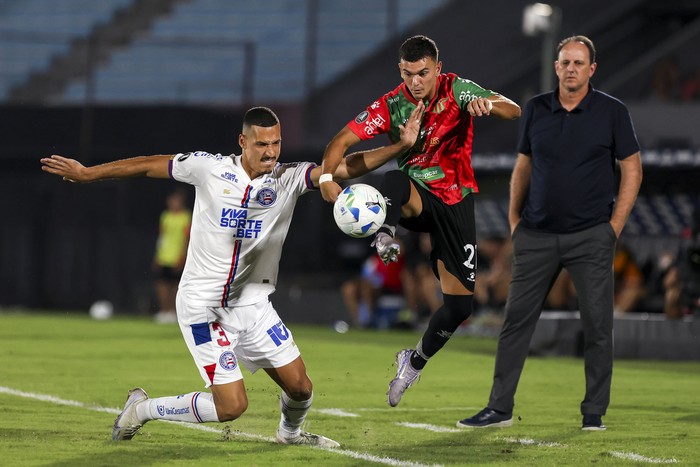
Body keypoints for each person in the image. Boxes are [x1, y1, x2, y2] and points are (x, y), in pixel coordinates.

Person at [40, 105, 422, 446]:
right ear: (243, 141)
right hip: (204, 306)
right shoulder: (210, 168)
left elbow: (345, 167)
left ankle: (289, 436)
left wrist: (398, 148)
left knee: (302, 388)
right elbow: (148, 164)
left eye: (276, 142)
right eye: (262, 144)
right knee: (232, 406)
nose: (271, 151)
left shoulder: (287, 178)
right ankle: (141, 410)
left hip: (253, 305)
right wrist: (89, 174)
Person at [319, 35, 521, 407]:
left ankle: (412, 363)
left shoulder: (457, 89)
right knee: (394, 178)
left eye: (423, 73)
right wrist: (327, 178)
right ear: (401, 70)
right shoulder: (391, 105)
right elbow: (340, 141)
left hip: (457, 201)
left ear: (437, 69)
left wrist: (486, 104)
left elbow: (514, 109)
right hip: (415, 198)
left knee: (460, 308)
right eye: (409, 73)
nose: (416, 81)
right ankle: (384, 235)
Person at [459, 35, 643, 431]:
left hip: (591, 236)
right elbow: (523, 165)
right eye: (565, 62)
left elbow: (632, 168)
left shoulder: (612, 111)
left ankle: (593, 413)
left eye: (579, 63)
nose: (571, 68)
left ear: (592, 69)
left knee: (597, 325)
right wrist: (514, 219)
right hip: (536, 235)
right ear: (556, 67)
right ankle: (499, 408)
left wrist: (614, 228)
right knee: (515, 323)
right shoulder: (536, 109)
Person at [153, 188, 191, 324]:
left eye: (176, 201)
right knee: (162, 285)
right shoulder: (165, 216)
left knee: (176, 286)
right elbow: (161, 237)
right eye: (171, 201)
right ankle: (164, 311)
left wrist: (183, 256)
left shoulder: (186, 217)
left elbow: (187, 239)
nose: (173, 203)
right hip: (164, 256)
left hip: (178, 256)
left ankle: (174, 313)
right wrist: (157, 256)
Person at [341, 248, 405, 328]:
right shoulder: (372, 260)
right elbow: (364, 276)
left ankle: (367, 322)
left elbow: (389, 278)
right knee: (349, 289)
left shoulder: (394, 258)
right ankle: (358, 323)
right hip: (368, 284)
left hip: (386, 287)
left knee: (366, 289)